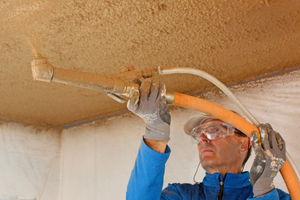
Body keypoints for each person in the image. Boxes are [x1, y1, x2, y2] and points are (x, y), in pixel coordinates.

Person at [126, 79, 290, 200]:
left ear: (244, 144)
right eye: (199, 133)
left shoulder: (276, 197)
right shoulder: (182, 196)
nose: (202, 139)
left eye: (214, 130)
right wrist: (156, 133)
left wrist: (263, 191)